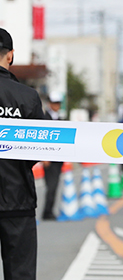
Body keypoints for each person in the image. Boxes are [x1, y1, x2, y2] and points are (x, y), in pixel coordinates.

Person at [0, 28, 44, 280]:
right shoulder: (26, 97)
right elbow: (38, 150)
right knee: (21, 276)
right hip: (16, 200)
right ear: (10, 55)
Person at [41, 92, 64, 220]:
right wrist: (44, 157)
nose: (57, 105)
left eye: (58, 103)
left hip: (57, 158)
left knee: (54, 186)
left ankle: (49, 210)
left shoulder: (59, 118)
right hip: (48, 158)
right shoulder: (45, 117)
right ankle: (47, 212)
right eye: (55, 103)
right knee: (51, 186)